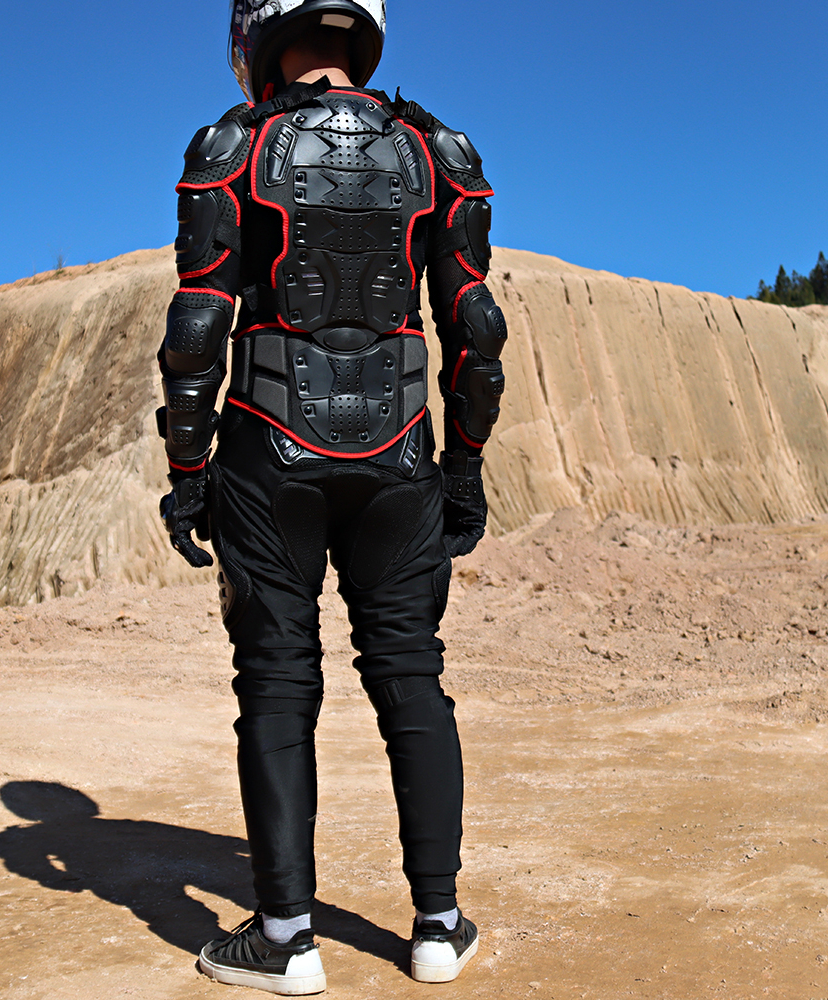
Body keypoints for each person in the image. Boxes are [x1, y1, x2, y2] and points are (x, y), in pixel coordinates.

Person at [157, 1, 507, 992]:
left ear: (256, 33)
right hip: (398, 455)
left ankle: (285, 938)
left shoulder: (233, 144)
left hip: (268, 448)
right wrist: (465, 468)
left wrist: (187, 473)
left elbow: (197, 327)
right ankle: (437, 926)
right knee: (411, 675)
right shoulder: (438, 149)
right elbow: (475, 331)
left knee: (276, 681)